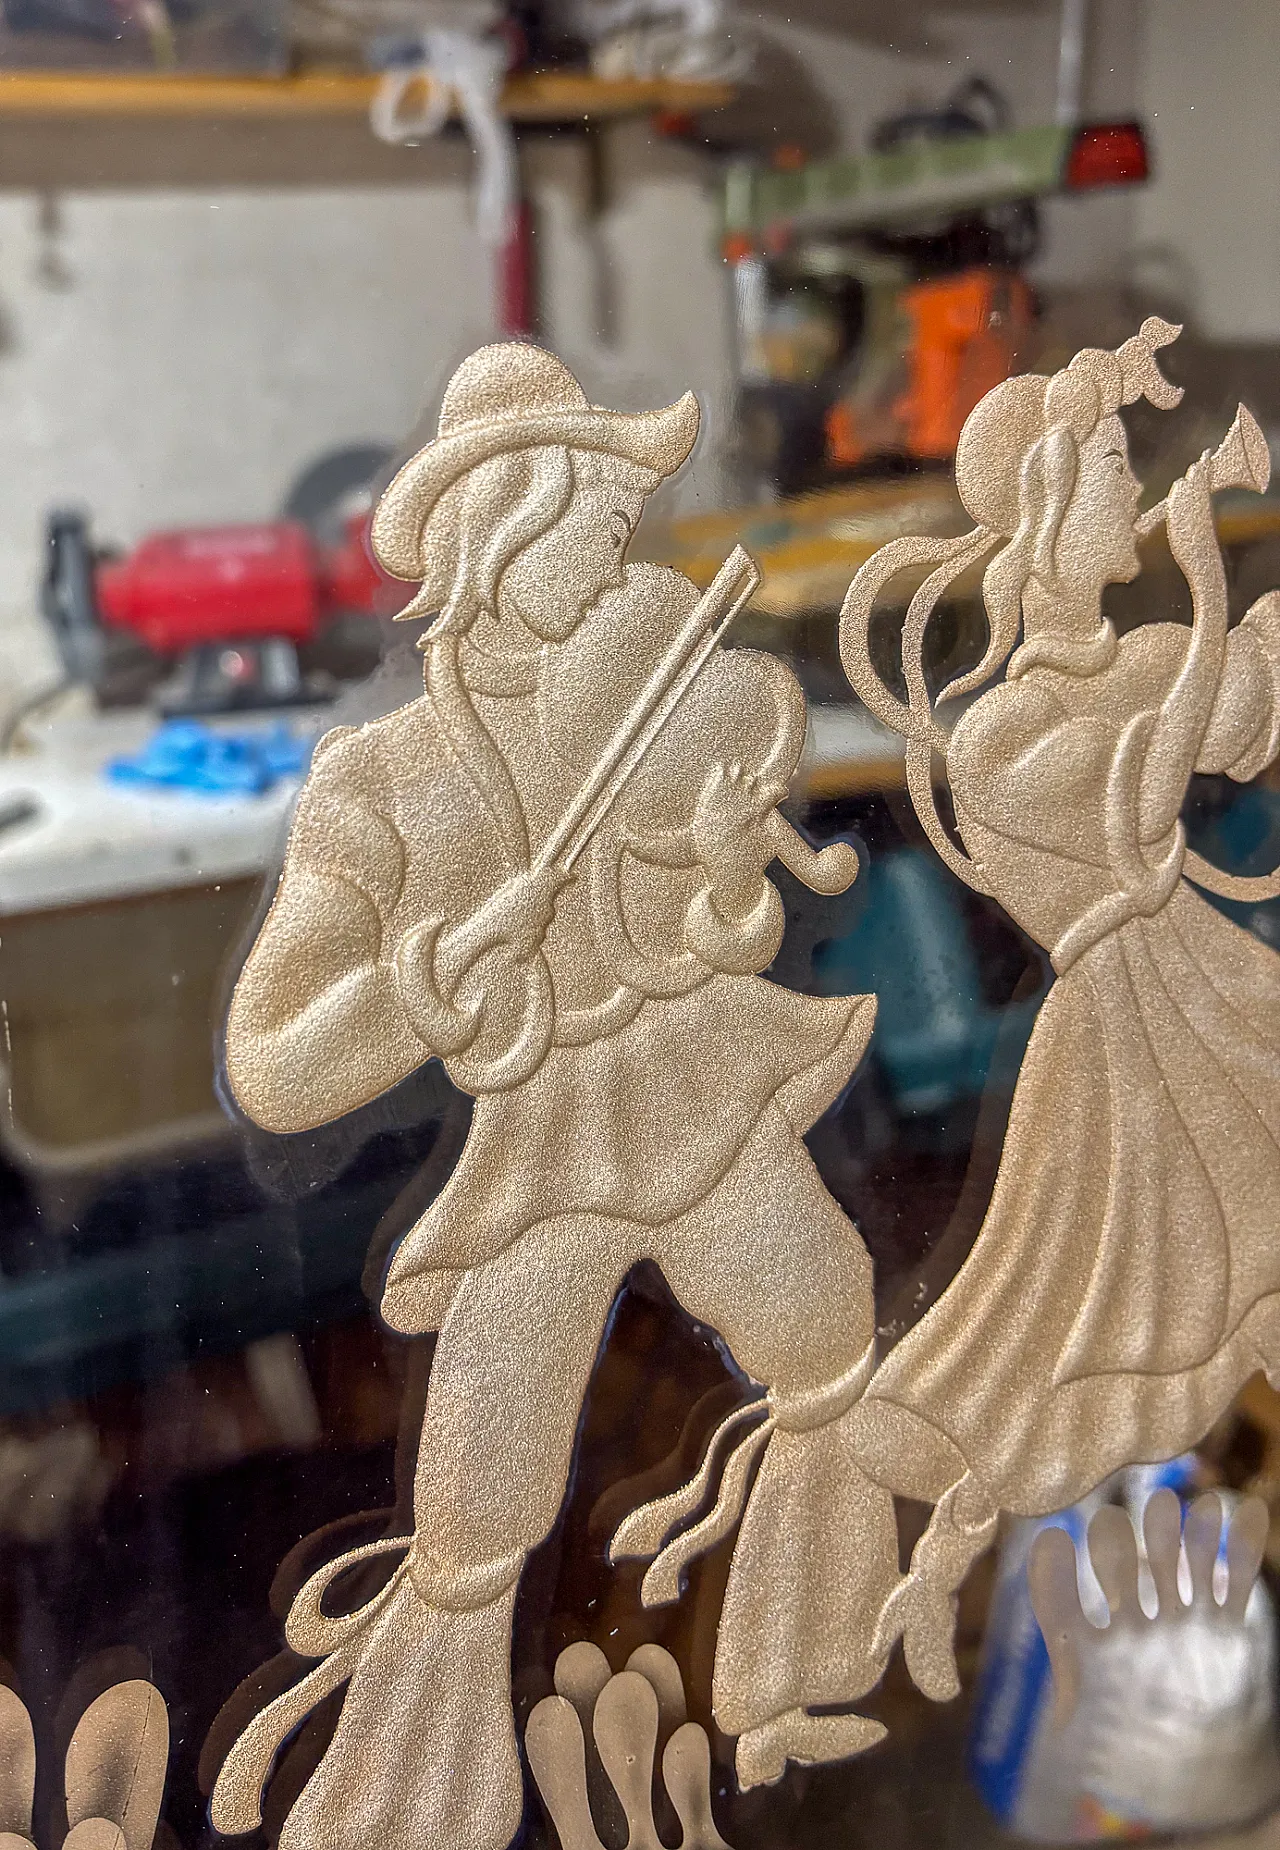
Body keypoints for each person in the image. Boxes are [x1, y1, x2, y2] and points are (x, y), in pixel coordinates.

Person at [208, 342, 900, 1850]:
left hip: (687, 1072)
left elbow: (722, 933)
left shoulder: (671, 686)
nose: (622, 528)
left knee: (822, 1321)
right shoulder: (384, 782)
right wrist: (422, 987)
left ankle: (797, 1672)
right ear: (503, 516)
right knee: (480, 1492)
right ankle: (414, 1797)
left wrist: (725, 881)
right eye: (592, 499)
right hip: (540, 1135)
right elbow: (275, 1060)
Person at [838, 317, 1280, 1703]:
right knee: (1076, 1318)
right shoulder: (999, 731)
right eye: (1105, 470)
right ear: (1041, 510)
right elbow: (1135, 805)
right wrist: (1202, 576)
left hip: (1209, 980)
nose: (1131, 490)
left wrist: (1240, 632)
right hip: (1123, 1022)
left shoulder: (1138, 664)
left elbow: (1240, 717)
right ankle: (930, 1574)